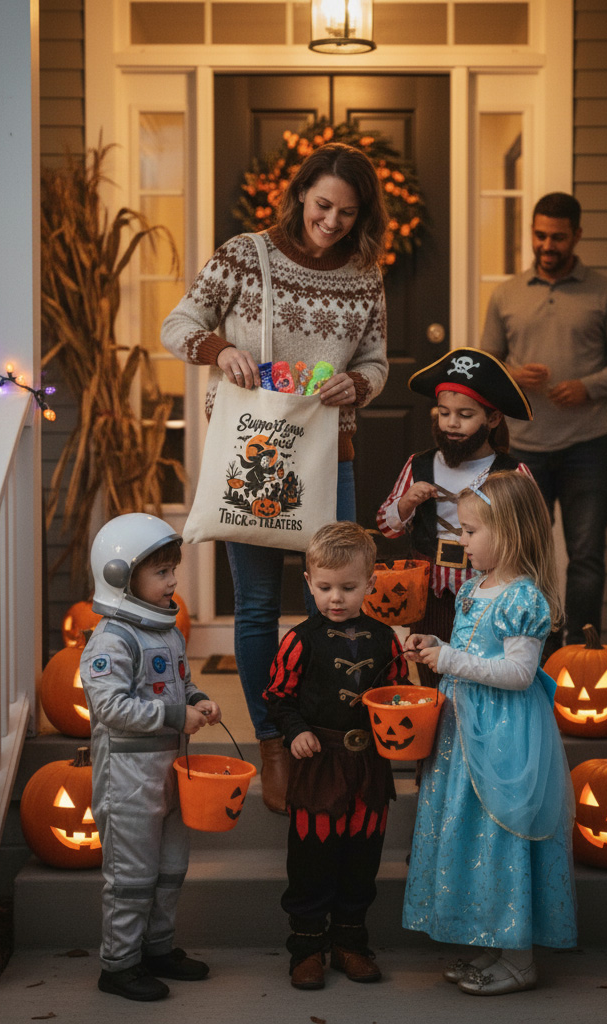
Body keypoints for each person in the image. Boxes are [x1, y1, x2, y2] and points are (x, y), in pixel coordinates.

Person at [162, 142, 389, 814]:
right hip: (252, 455)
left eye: (347, 213)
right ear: (299, 195)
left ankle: (333, 739)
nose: (332, 222)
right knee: (258, 609)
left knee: (340, 601)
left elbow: (376, 360)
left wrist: (360, 384)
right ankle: (273, 745)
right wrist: (219, 347)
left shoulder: (365, 274)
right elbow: (179, 325)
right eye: (323, 206)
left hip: (330, 457)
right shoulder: (243, 255)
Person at [401, 470, 577, 995]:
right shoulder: (475, 588)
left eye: (472, 532)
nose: (462, 541)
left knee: (502, 836)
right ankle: (490, 938)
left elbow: (520, 674)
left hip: (504, 737)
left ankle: (520, 958)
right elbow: (473, 653)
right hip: (464, 732)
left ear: (512, 533)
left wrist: (450, 658)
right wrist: (437, 644)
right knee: (471, 833)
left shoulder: (524, 598)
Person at [479, 191, 607, 646]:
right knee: (528, 555)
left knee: (586, 556)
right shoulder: (507, 293)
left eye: (558, 237)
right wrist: (514, 375)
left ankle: (583, 655)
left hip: (587, 445)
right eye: (540, 235)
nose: (547, 245)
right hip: (524, 447)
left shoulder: (605, 291)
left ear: (577, 236)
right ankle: (539, 653)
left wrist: (587, 386)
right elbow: (485, 365)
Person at [80, 513, 223, 1002]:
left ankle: (157, 948)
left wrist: (198, 698)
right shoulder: (110, 640)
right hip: (128, 777)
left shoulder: (167, 631)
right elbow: (109, 707)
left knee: (169, 868)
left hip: (169, 775)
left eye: (172, 570)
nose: (173, 581)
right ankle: (119, 964)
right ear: (121, 576)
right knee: (132, 877)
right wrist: (173, 714)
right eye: (161, 572)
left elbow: (180, 684)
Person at [263, 521, 407, 991]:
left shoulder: (387, 640)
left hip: (368, 765)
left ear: (371, 584)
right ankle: (307, 949)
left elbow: (400, 695)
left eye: (348, 587)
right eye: (325, 587)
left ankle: (350, 944)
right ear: (309, 582)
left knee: (361, 858)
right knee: (312, 859)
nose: (336, 598)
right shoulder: (300, 641)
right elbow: (278, 698)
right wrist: (296, 731)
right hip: (318, 761)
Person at [376, 347, 533, 683]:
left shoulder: (511, 472)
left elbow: (530, 538)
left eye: (464, 415)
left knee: (480, 671)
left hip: (489, 594)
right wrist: (406, 504)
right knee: (433, 675)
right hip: (428, 593)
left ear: (492, 419)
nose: (451, 423)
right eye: (444, 413)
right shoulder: (419, 465)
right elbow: (384, 527)